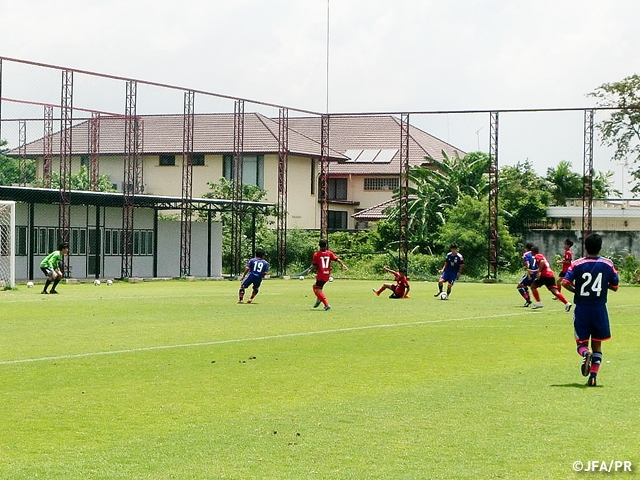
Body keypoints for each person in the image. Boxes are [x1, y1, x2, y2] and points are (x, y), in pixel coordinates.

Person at [561, 233, 618, 387]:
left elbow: (565, 282)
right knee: (598, 345)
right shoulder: (608, 264)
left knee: (581, 343)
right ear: (600, 248)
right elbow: (615, 286)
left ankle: (586, 353)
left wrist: (577, 291)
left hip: (582, 309)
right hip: (599, 309)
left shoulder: (577, 264)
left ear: (585, 247)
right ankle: (593, 377)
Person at [527, 246, 572, 311]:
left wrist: (539, 272)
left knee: (533, 287)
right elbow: (543, 267)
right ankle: (567, 303)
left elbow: (542, 262)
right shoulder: (542, 256)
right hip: (550, 275)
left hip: (544, 275)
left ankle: (539, 302)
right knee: (555, 291)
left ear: (532, 252)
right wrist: (534, 271)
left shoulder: (537, 256)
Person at [309, 239, 347, 310]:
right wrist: (343, 265)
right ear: (326, 245)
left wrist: (310, 270)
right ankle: (319, 298)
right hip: (327, 274)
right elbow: (337, 260)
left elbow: (314, 265)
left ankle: (326, 304)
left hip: (321, 275)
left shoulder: (316, 254)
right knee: (315, 287)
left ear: (319, 245)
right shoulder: (329, 253)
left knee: (318, 289)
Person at [517, 242, 538, 307]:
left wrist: (528, 274)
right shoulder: (536, 254)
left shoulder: (526, 254)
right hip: (536, 273)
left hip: (530, 272)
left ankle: (528, 299)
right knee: (525, 285)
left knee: (519, 286)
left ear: (526, 248)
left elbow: (527, 264)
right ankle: (528, 299)